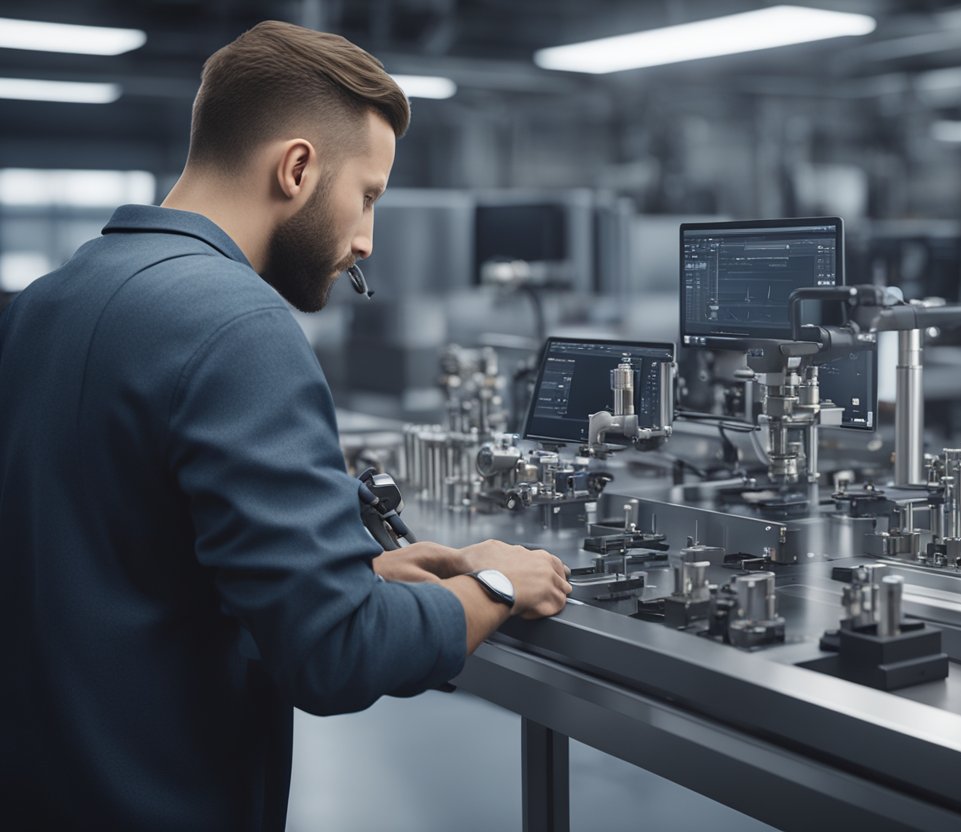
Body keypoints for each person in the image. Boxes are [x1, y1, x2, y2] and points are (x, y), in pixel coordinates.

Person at [0, 20, 571, 829]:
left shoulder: (46, 303)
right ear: (298, 168)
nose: (366, 240)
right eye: (367, 195)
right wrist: (498, 585)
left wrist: (356, 575)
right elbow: (336, 652)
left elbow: (118, 557)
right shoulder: (237, 324)